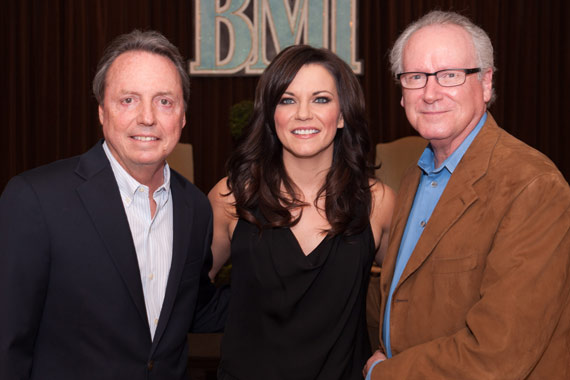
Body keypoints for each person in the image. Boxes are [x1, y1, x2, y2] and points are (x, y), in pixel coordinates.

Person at [0, 30, 227, 380]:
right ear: (102, 112)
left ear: (182, 116)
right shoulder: (36, 199)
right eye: (128, 100)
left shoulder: (194, 207)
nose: (148, 117)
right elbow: (8, 340)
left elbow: (192, 307)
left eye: (165, 101)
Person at [364, 10, 570, 379]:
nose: (430, 93)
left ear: (486, 83)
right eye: (415, 77)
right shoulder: (414, 177)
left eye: (450, 75)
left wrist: (384, 373)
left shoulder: (533, 186)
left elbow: (499, 352)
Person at [208, 44, 395, 379]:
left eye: (320, 99)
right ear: (270, 113)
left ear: (341, 115)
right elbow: (185, 296)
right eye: (287, 99)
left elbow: (415, 293)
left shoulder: (378, 201)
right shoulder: (231, 197)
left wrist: (394, 348)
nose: (303, 114)